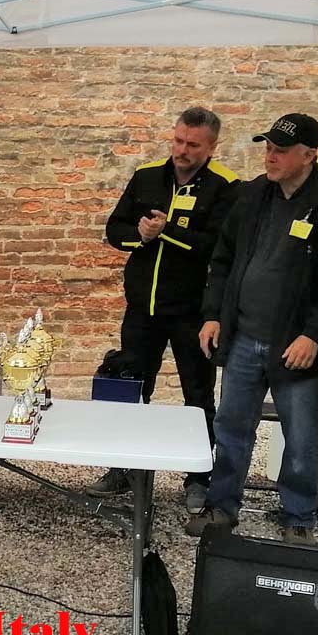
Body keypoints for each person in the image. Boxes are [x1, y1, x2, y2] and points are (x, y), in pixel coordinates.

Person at [186, 113, 318, 545]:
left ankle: (299, 517)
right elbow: (223, 258)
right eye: (268, 148)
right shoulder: (253, 194)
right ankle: (222, 507)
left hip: (297, 345)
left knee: (301, 436)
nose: (270, 156)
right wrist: (213, 314)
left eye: (281, 150)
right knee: (231, 428)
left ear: (309, 155)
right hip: (243, 337)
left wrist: (314, 336)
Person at [87, 107, 239, 512]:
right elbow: (114, 229)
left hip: (193, 312)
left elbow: (218, 246)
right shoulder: (147, 176)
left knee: (198, 394)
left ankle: (199, 478)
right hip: (142, 308)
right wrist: (139, 235)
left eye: (192, 145)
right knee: (132, 388)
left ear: (211, 147)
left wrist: (167, 230)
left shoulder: (227, 186)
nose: (182, 150)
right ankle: (123, 467)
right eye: (178, 140)